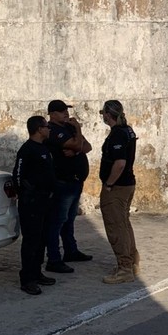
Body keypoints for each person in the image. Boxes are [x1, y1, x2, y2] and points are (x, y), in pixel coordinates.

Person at [43, 100, 93, 274]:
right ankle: (54, 259)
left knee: (69, 220)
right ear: (52, 114)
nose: (66, 113)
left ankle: (71, 251)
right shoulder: (53, 130)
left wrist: (77, 149)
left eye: (66, 110)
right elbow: (76, 144)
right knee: (56, 222)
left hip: (75, 181)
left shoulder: (69, 128)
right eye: (61, 110)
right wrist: (78, 133)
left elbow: (87, 146)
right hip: (62, 183)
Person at [12, 116, 57, 295]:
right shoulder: (27, 150)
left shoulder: (44, 148)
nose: (49, 129)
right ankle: (27, 278)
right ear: (39, 129)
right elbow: (17, 175)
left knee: (42, 238)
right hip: (32, 203)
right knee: (31, 240)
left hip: (45, 201)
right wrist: (26, 195)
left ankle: (37, 272)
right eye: (47, 127)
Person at [98, 99, 141, 284]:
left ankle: (124, 268)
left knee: (116, 226)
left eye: (103, 114)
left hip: (117, 187)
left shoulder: (117, 134)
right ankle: (132, 262)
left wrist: (109, 184)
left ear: (109, 114)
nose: (103, 117)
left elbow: (120, 163)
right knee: (123, 223)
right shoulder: (127, 131)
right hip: (127, 184)